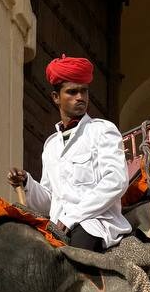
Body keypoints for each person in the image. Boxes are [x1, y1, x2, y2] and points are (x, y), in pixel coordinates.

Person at [7, 54, 131, 251]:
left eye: (84, 92)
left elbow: (116, 180)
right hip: (58, 227)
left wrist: (72, 216)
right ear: (56, 97)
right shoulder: (51, 146)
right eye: (72, 92)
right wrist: (27, 183)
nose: (80, 97)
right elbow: (49, 201)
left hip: (95, 223)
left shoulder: (102, 130)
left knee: (76, 261)